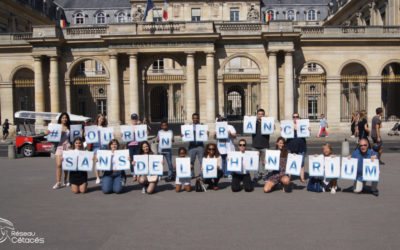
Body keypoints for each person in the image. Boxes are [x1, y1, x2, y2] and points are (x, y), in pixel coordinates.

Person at [49, 112, 72, 189]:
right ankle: (58, 182)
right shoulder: (56, 127)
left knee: (66, 165)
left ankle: (65, 180)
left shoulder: (70, 127)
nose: (64, 119)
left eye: (66, 118)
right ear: (60, 119)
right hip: (59, 147)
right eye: (63, 118)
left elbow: (75, 137)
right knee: (59, 165)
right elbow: (50, 135)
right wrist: (48, 132)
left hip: (68, 147)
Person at [181, 113, 208, 178]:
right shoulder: (189, 126)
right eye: (194, 118)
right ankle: (192, 174)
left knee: (202, 161)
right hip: (192, 145)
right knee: (191, 161)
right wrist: (182, 135)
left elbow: (205, 135)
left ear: (198, 118)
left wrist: (207, 134)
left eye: (196, 118)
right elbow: (185, 135)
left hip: (200, 145)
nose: (195, 119)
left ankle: (202, 173)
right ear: (192, 118)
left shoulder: (202, 126)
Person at [286, 113, 308, 183]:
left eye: (297, 117)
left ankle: (302, 177)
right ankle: (289, 177)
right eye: (294, 117)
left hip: (301, 146)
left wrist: (308, 130)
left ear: (299, 118)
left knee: (302, 163)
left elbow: (307, 135)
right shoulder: (288, 125)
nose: (295, 118)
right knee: (290, 162)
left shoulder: (303, 125)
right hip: (291, 145)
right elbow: (284, 134)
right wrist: (282, 129)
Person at [251, 109, 270, 182]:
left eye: (262, 114)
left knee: (264, 162)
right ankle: (256, 176)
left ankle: (265, 176)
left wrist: (268, 120)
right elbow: (246, 124)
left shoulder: (267, 122)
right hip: (255, 145)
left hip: (265, 145)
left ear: (264, 115)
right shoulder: (253, 122)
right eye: (259, 114)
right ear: (257, 115)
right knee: (255, 162)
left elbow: (273, 128)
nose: (260, 115)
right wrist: (249, 118)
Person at [91, 114, 108, 184]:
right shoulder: (93, 127)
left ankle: (104, 176)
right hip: (96, 146)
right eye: (100, 118)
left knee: (104, 162)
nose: (101, 120)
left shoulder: (105, 127)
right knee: (97, 162)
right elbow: (89, 135)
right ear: (97, 119)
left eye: (102, 119)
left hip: (104, 146)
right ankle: (97, 177)